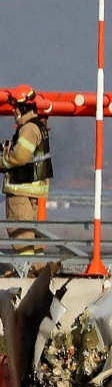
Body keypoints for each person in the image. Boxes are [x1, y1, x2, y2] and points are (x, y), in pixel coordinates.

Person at [0, 85, 52, 258]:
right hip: (32, 192)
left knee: (20, 235)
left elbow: (19, 157)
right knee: (32, 237)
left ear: (22, 107)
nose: (13, 111)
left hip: (20, 191)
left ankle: (26, 270)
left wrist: (2, 161)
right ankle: (36, 270)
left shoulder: (28, 129)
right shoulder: (37, 127)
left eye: (15, 107)